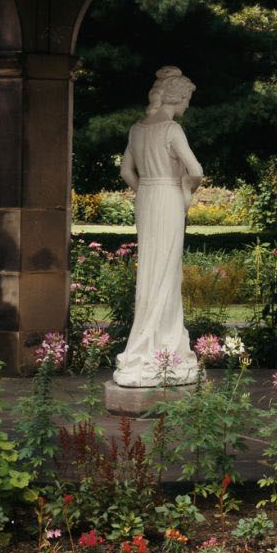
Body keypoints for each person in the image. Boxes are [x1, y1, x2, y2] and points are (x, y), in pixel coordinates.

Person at [111, 66, 205, 388]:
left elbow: (126, 172)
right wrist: (183, 189)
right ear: (177, 97)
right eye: (187, 99)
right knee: (166, 271)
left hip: (147, 197)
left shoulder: (137, 129)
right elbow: (196, 170)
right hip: (167, 197)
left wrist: (146, 190)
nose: (187, 106)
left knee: (150, 271)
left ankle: (146, 346)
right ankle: (165, 348)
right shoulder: (171, 129)